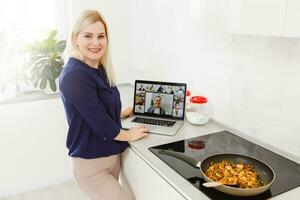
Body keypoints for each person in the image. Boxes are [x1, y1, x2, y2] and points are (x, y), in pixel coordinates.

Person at [59, 10, 149, 200]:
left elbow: (94, 109)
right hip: (91, 167)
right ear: (75, 39)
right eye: (88, 36)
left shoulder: (97, 67)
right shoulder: (75, 75)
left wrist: (119, 114)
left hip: (109, 158)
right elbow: (99, 123)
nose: (96, 42)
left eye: (101, 36)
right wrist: (129, 134)